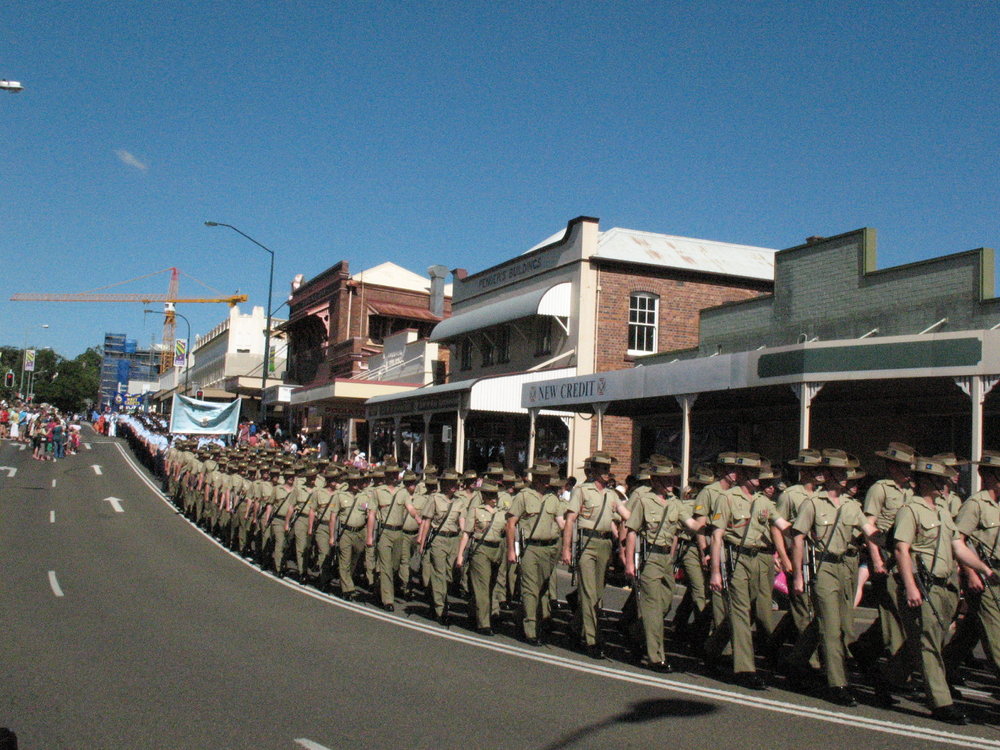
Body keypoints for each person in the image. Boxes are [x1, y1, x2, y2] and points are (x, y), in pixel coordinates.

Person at [884, 456, 998, 725]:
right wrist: (910, 585)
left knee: (928, 640)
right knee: (927, 644)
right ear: (923, 481)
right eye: (938, 479)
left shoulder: (942, 512)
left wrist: (984, 568)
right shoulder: (910, 510)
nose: (944, 484)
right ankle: (941, 703)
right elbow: (901, 549)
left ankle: (888, 678)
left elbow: (958, 547)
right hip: (923, 585)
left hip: (946, 587)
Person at [787, 450, 881, 706]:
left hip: (847, 568)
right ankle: (838, 684)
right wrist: (798, 575)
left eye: (845, 473)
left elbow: (869, 530)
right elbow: (797, 538)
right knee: (830, 628)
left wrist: (892, 540)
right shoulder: (813, 504)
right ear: (827, 475)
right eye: (839, 472)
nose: (844, 477)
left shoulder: (852, 506)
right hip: (824, 567)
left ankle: (795, 663)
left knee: (844, 626)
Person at [705, 453, 790, 689]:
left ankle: (711, 648)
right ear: (741, 475)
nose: (758, 478)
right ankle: (745, 669)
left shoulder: (762, 501)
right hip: (735, 557)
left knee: (748, 609)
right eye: (753, 474)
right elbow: (717, 535)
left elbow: (782, 526)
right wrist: (715, 572)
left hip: (757, 560)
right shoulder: (727, 499)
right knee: (741, 611)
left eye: (758, 474)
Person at [624, 462, 703, 672]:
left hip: (667, 559)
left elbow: (692, 525)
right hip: (650, 557)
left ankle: (636, 632)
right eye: (667, 479)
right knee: (651, 608)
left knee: (665, 604)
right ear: (655, 481)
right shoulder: (644, 501)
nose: (672, 483)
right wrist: (630, 562)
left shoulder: (675, 503)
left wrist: (714, 519)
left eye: (673, 479)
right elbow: (631, 531)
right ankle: (655, 657)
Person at [561, 452, 630, 659]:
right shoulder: (582, 491)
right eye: (602, 469)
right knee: (591, 595)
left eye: (608, 469)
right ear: (593, 471)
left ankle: (575, 627)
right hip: (587, 544)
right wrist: (566, 549)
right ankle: (592, 640)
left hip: (605, 544)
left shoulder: (611, 495)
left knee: (597, 593)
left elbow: (626, 516)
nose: (607, 473)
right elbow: (571, 520)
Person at [506, 464, 562, 645]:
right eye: (542, 476)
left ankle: (521, 615)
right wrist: (511, 549)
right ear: (535, 477)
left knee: (542, 588)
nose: (546, 479)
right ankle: (530, 630)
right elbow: (511, 523)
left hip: (550, 548)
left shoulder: (553, 498)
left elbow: (561, 522)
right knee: (530, 589)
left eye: (548, 476)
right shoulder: (523, 496)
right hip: (530, 547)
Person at [419, 469, 467, 625]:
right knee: (439, 573)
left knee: (448, 576)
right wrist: (422, 541)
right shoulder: (435, 499)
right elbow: (426, 521)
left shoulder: (460, 501)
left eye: (456, 483)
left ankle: (436, 600)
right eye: (451, 483)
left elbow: (462, 522)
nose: (454, 486)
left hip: (453, 540)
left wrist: (465, 538)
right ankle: (441, 610)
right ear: (444, 484)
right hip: (438, 540)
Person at [458, 479, 506, 635]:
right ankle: (484, 624)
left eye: (495, 495)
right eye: (491, 495)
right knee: (482, 587)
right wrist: (460, 555)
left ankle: (474, 613)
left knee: (491, 586)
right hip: (480, 550)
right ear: (484, 496)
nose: (494, 498)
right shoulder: (476, 511)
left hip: (497, 551)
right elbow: (467, 533)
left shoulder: (502, 513)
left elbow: (508, 533)